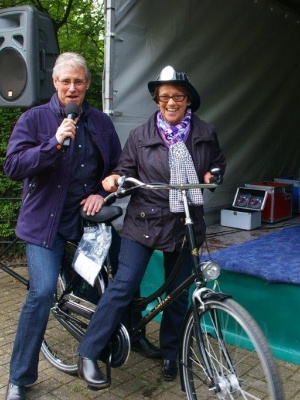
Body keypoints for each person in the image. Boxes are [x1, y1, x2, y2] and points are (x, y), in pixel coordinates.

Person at [2, 52, 157, 400]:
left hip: (88, 220)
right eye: (66, 81)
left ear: (87, 84)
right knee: (42, 292)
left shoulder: (100, 122)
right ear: (55, 83)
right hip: (45, 224)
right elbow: (13, 167)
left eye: (79, 81)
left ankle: (133, 334)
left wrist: (102, 195)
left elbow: (117, 168)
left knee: (127, 273)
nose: (72, 88)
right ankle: (20, 378)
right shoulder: (34, 119)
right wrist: (53, 143)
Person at [76, 65, 226, 390]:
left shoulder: (205, 132)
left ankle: (172, 354)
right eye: (164, 97)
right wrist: (115, 179)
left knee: (178, 294)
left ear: (188, 100)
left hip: (186, 223)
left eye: (178, 96)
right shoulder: (140, 136)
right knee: (124, 284)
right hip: (144, 221)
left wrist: (213, 174)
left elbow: (217, 162)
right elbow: (125, 169)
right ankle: (89, 352)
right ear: (157, 100)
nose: (171, 102)